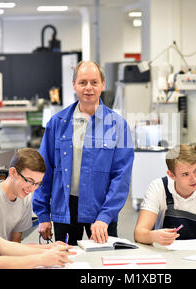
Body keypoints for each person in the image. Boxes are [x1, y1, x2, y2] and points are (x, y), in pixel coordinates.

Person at [33, 61, 134, 245]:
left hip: (101, 208)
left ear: (103, 84)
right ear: (74, 85)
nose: (89, 88)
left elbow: (121, 177)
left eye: (94, 82)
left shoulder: (118, 126)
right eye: (83, 82)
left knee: (105, 264)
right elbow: (43, 169)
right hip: (65, 209)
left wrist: (105, 216)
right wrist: (43, 214)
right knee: (66, 260)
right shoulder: (57, 123)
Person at [0, 148, 45, 243]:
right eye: (29, 181)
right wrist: (43, 250)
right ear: (13, 172)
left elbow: (15, 242)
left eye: (37, 183)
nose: (32, 188)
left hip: (6, 254)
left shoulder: (25, 198)